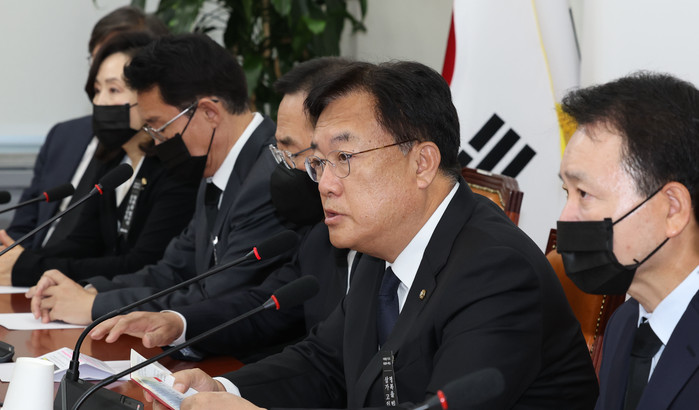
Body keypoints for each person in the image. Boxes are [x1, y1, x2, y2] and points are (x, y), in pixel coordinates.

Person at [159, 61, 598, 409]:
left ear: (422, 163)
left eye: (344, 157)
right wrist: (223, 388)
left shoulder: (496, 271)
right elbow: (325, 363)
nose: (325, 184)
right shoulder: (382, 249)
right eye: (319, 163)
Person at [89, 58, 355, 362]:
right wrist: (179, 324)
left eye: (291, 152)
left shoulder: (268, 189)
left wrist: (96, 304)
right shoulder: (318, 238)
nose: (323, 180)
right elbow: (264, 306)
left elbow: (227, 292)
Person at [26, 33, 291, 325]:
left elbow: (218, 295)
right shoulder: (213, 164)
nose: (156, 141)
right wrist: (91, 291)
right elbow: (172, 270)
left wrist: (95, 307)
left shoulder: (270, 178)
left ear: (209, 112)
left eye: (159, 127)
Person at [0, 32, 198, 291]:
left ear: (149, 95)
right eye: (96, 90)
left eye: (113, 90)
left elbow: (142, 264)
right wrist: (19, 261)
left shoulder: (175, 170)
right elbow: (82, 242)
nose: (99, 101)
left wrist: (28, 267)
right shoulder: (112, 162)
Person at [557, 72, 699, 410]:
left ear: (672, 209)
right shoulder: (623, 323)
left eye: (584, 194)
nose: (565, 218)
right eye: (566, 192)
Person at [3, 6, 168, 251]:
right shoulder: (63, 136)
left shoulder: (147, 153)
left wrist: (27, 266)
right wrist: (12, 257)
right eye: (97, 61)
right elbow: (22, 226)